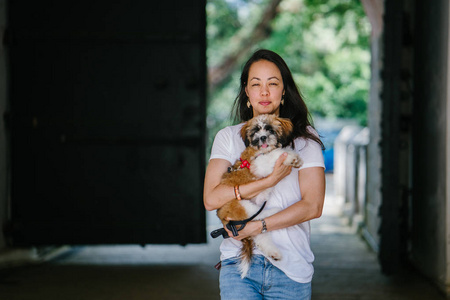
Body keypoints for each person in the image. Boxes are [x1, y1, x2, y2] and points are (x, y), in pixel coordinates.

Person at [203, 49, 326, 300]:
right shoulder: (228, 137)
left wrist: (256, 227)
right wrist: (269, 181)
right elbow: (211, 200)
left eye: (273, 83)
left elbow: (313, 206)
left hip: (290, 269)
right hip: (238, 264)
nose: (265, 91)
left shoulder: (305, 141)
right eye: (256, 84)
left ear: (284, 91)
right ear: (246, 92)